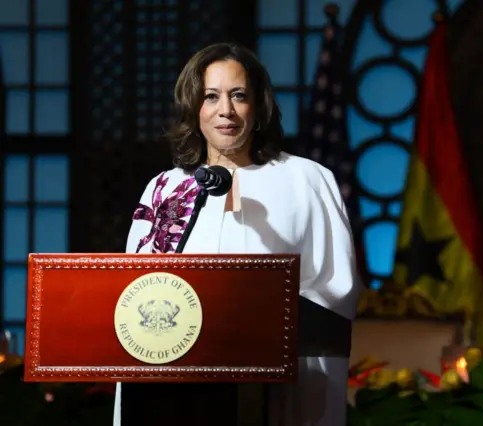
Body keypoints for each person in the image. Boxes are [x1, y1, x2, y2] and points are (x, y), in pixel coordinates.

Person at [112, 42, 359, 425]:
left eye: (238, 96)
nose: (225, 110)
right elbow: (133, 291)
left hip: (277, 392)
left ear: (258, 106)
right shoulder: (165, 188)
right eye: (211, 96)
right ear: (194, 108)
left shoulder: (306, 180)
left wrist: (261, 320)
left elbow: (333, 290)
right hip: (175, 389)